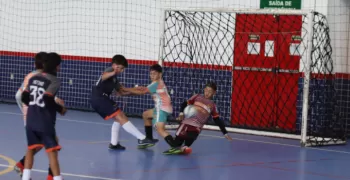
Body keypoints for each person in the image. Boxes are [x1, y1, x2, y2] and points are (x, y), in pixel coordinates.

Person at [14, 52, 64, 180]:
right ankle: (54, 177)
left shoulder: (32, 78)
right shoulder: (54, 80)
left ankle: (25, 175)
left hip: (31, 119)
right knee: (52, 151)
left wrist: (33, 107)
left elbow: (23, 96)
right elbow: (47, 99)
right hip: (44, 120)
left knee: (31, 149)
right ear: (57, 66)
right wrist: (60, 109)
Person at [90, 54, 155, 150]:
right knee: (120, 115)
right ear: (115, 65)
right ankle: (141, 138)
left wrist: (137, 91)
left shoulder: (115, 79)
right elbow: (103, 76)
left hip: (104, 99)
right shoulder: (110, 71)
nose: (122, 71)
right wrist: (113, 72)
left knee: (119, 118)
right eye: (121, 68)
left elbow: (122, 92)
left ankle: (114, 144)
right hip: (99, 98)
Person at [163, 82, 233, 155]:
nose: (207, 93)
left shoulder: (213, 106)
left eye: (210, 91)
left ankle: (182, 148)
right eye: (206, 90)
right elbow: (184, 103)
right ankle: (176, 145)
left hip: (197, 128)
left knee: (187, 144)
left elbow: (217, 120)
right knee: (176, 143)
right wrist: (181, 113)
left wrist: (225, 133)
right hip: (187, 124)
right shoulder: (197, 97)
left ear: (214, 93)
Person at [122, 64, 176, 148]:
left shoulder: (156, 84)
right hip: (163, 107)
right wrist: (125, 93)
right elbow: (142, 90)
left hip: (162, 109)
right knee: (146, 115)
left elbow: (141, 92)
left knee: (160, 129)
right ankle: (149, 139)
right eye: (151, 74)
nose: (152, 76)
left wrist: (125, 89)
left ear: (160, 74)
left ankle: (175, 146)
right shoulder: (157, 83)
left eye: (154, 73)